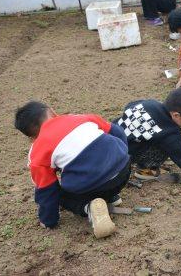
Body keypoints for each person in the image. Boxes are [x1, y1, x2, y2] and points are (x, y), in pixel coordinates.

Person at [14, 101, 131, 238]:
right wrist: (123, 156)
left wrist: (48, 220)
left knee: (60, 193)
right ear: (52, 112)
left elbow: (46, 191)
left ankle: (89, 207)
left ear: (31, 137)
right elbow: (117, 131)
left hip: (94, 185)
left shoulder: (37, 152)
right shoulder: (80, 117)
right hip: (124, 169)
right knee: (100, 160)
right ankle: (111, 196)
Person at [114, 88, 181, 189]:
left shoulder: (150, 103)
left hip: (112, 137)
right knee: (167, 147)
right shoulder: (169, 131)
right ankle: (145, 171)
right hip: (123, 157)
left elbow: (129, 106)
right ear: (176, 115)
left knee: (150, 137)